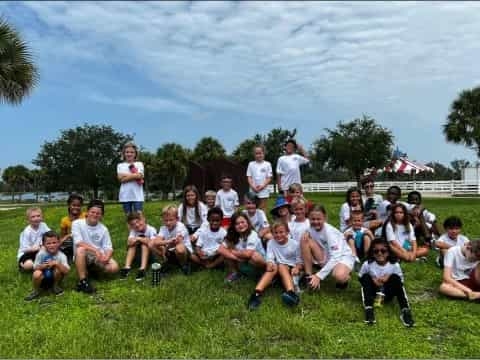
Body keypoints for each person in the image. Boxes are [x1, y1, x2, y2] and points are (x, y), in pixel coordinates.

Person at [359, 238, 415, 327]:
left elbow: (401, 282)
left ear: (388, 252)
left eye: (383, 251)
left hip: (387, 293)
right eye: (376, 251)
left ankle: (405, 310)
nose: (379, 253)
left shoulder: (394, 265)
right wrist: (373, 279)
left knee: (395, 277)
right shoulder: (368, 264)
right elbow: (360, 277)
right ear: (372, 253)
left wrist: (388, 277)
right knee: (365, 277)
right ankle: (369, 309)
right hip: (372, 293)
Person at [247, 222, 303, 310]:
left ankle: (291, 293)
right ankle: (256, 294)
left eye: (281, 232)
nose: (278, 235)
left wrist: (297, 267)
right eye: (276, 233)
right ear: (272, 233)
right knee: (273, 267)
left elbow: (299, 261)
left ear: (287, 232)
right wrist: (269, 263)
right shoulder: (271, 242)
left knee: (281, 266)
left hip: (291, 270)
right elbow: (270, 257)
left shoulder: (294, 244)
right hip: (277, 269)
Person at [301, 205, 354, 290]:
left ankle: (345, 276)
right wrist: (306, 232)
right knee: (304, 239)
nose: (315, 222)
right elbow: (309, 230)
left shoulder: (329, 232)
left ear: (325, 218)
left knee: (338, 275)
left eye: (319, 219)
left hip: (342, 257)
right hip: (327, 255)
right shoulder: (310, 228)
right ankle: (309, 276)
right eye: (313, 219)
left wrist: (319, 276)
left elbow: (336, 257)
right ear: (309, 218)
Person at [73, 199, 119, 294]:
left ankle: (92, 271)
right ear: (87, 212)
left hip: (98, 256)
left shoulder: (103, 229)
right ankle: (83, 281)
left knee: (114, 267)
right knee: (80, 249)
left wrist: (107, 257)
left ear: (101, 215)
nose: (95, 215)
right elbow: (78, 242)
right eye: (92, 212)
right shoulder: (77, 223)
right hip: (83, 254)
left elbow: (108, 247)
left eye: (98, 213)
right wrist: (95, 250)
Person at [219, 212, 266, 283]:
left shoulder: (253, 234)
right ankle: (235, 273)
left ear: (247, 222)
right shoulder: (232, 235)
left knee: (254, 256)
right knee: (225, 252)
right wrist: (236, 258)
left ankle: (262, 274)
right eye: (237, 224)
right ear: (233, 226)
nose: (240, 225)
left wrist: (232, 251)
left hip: (257, 263)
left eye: (242, 222)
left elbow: (248, 254)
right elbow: (220, 249)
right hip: (242, 261)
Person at [25, 231, 70, 301]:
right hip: (42, 278)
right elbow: (35, 267)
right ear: (43, 245)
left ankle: (55, 287)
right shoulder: (41, 254)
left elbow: (67, 271)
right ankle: (36, 290)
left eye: (54, 243)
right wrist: (43, 266)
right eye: (48, 243)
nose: (52, 245)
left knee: (58, 270)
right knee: (36, 273)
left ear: (59, 243)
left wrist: (57, 264)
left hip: (55, 277)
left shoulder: (61, 256)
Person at [149, 205, 193, 275]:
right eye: (166, 220)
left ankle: (184, 265)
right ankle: (165, 262)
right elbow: (156, 241)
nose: (168, 223)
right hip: (170, 250)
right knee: (151, 244)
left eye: (171, 220)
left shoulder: (181, 226)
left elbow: (177, 242)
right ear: (162, 219)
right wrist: (167, 243)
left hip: (184, 252)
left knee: (179, 248)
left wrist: (165, 247)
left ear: (177, 219)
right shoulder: (163, 228)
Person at [120, 212, 157, 281]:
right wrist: (134, 240)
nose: (136, 225)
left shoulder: (151, 229)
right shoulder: (133, 231)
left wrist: (139, 238)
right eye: (133, 224)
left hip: (151, 255)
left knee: (144, 244)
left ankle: (142, 269)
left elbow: (153, 243)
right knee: (132, 245)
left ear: (143, 219)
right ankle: (127, 267)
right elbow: (128, 243)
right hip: (138, 256)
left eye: (138, 221)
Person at [17, 207, 51, 272]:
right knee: (29, 265)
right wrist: (36, 248)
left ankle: (39, 265)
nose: (36, 218)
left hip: (39, 251)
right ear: (28, 220)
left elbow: (50, 235)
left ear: (42, 217)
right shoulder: (27, 232)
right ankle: (23, 265)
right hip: (27, 254)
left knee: (50, 253)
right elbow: (24, 249)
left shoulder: (43, 225)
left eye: (38, 216)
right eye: (33, 217)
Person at [117, 142, 144, 214]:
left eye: (132, 152)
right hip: (125, 196)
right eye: (127, 152)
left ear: (135, 154)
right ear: (124, 153)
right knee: (128, 217)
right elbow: (121, 179)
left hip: (137, 196)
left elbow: (140, 176)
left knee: (139, 215)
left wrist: (124, 175)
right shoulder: (120, 165)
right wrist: (135, 175)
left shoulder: (139, 164)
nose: (129, 154)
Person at [59, 193, 86, 262]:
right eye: (73, 205)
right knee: (61, 244)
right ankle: (68, 256)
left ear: (81, 206)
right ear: (69, 205)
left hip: (83, 239)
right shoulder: (64, 220)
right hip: (71, 241)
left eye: (78, 206)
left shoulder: (86, 216)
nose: (76, 207)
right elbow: (62, 236)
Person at [246, 144, 273, 211]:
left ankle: (263, 221)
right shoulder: (251, 164)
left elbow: (269, 178)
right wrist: (253, 187)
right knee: (253, 207)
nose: (258, 155)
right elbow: (249, 177)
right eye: (256, 153)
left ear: (264, 153)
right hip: (253, 190)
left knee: (263, 208)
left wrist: (262, 186)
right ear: (254, 155)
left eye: (260, 153)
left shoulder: (267, 164)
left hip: (263, 190)